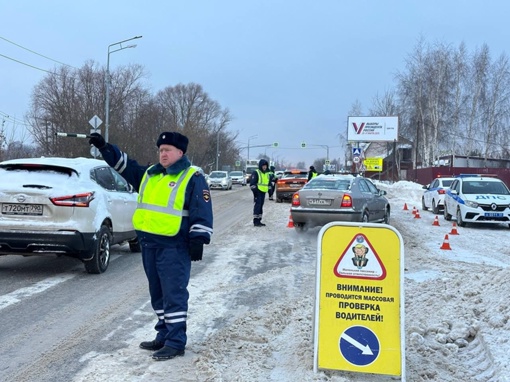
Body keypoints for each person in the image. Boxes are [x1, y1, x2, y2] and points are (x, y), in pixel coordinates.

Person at [88, 131, 213, 361]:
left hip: (174, 246)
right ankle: (164, 335)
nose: (163, 154)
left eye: (167, 150)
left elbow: (201, 210)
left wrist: (199, 239)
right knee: (157, 294)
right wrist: (106, 147)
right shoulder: (150, 175)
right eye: (160, 150)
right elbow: (124, 165)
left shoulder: (192, 176)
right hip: (150, 245)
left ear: (180, 152)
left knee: (174, 294)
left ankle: (176, 342)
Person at [250, 158, 270, 226]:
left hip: (263, 192)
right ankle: (256, 221)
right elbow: (252, 184)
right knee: (258, 206)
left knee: (261, 206)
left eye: (265, 166)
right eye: (263, 166)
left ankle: (259, 220)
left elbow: (267, 182)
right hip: (258, 191)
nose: (264, 167)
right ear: (260, 166)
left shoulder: (266, 173)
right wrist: (255, 192)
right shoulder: (256, 172)